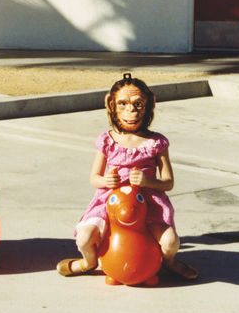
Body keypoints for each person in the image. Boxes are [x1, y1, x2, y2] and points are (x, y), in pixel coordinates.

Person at [58, 73, 197, 280]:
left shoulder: (156, 143)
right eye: (122, 104)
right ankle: (89, 262)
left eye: (138, 104)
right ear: (111, 105)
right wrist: (105, 181)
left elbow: (169, 182)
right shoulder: (107, 140)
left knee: (171, 242)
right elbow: (94, 177)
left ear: (149, 105)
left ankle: (168, 262)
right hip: (109, 202)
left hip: (147, 203)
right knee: (84, 239)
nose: (130, 110)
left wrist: (147, 181)